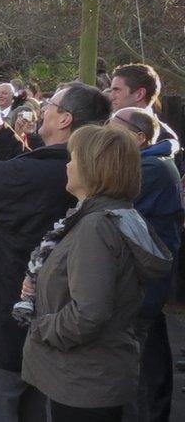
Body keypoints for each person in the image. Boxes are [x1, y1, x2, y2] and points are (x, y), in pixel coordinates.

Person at [0, 83, 112, 422]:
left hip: (4, 315)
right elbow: (30, 167)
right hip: (43, 315)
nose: (43, 108)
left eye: (52, 105)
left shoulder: (42, 175)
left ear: (65, 119)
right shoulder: (76, 167)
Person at [20, 125, 172, 422]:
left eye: (73, 158)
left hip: (85, 380)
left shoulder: (96, 226)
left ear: (94, 167)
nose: (67, 165)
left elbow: (89, 313)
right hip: (90, 374)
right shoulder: (108, 216)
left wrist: (40, 326)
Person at [109, 108, 183, 421]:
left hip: (141, 288)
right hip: (141, 286)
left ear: (138, 137)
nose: (106, 132)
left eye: (114, 127)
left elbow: (103, 200)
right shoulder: (149, 162)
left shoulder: (150, 168)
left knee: (133, 373)